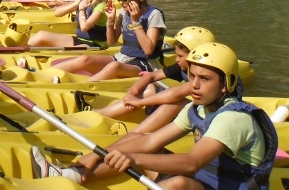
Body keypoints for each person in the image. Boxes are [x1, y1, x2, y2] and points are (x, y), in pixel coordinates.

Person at [51, 42, 278, 190]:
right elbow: (149, 142)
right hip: (203, 187)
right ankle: (72, 174)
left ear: (225, 84)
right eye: (192, 76)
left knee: (179, 183)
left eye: (205, 79)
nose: (194, 86)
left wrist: (133, 159)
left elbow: (191, 163)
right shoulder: (196, 109)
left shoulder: (233, 119)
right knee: (143, 141)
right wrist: (93, 156)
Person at [84, 26, 217, 120]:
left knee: (174, 102)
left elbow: (175, 94)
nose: (177, 59)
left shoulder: (207, 76)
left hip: (210, 116)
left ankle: (135, 134)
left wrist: (140, 102)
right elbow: (152, 75)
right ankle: (102, 113)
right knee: (150, 88)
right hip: (198, 109)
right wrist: (133, 92)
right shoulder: (182, 67)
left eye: (180, 56)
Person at [52, 0, 166, 81]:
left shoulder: (154, 14)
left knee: (114, 67)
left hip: (145, 64)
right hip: (122, 57)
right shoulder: (123, 13)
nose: (121, 3)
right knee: (85, 59)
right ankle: (45, 74)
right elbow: (111, 42)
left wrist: (135, 22)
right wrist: (110, 21)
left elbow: (148, 50)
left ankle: (84, 87)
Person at [26, 0, 111, 49]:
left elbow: (84, 27)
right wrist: (75, 4)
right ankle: (21, 52)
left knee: (63, 51)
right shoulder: (82, 0)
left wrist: (81, 9)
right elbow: (57, 13)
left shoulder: (101, 4)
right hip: (79, 40)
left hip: (94, 45)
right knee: (41, 35)